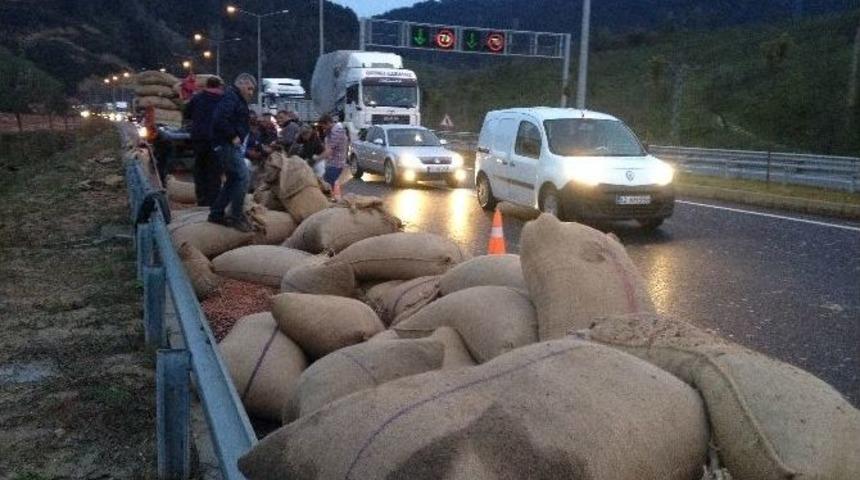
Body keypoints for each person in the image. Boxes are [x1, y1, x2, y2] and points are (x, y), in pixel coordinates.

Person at [209, 73, 256, 232]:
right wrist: (233, 136)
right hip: (226, 144)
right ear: (241, 84)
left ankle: (216, 213)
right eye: (249, 88)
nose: (251, 93)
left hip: (226, 144)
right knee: (243, 177)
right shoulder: (231, 97)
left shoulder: (234, 98)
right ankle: (236, 216)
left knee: (232, 180)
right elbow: (219, 118)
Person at [183, 76, 224, 206]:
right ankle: (213, 200)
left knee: (200, 168)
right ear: (219, 86)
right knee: (214, 171)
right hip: (216, 140)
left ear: (206, 85)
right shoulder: (223, 99)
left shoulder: (197, 98)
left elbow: (186, 113)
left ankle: (201, 198)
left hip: (199, 138)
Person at [319, 114, 349, 188]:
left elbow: (329, 150)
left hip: (336, 164)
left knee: (326, 186)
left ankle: (333, 198)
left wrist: (316, 159)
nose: (323, 128)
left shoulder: (336, 132)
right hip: (332, 163)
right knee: (328, 186)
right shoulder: (331, 131)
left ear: (328, 123)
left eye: (323, 126)